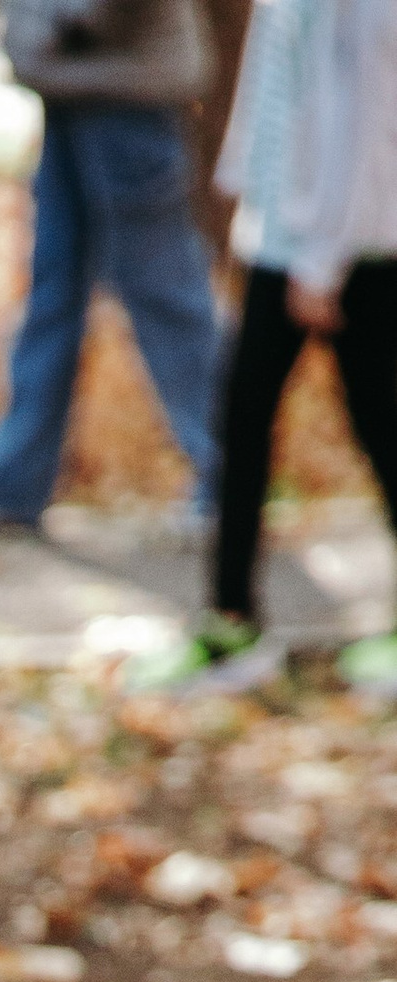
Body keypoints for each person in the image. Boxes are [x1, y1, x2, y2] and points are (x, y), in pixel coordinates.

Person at [132, 0, 397, 685]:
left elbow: (358, 119)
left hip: (342, 252)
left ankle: (233, 621)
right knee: (242, 423)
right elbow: (275, 91)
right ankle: (231, 621)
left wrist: (321, 261)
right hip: (283, 239)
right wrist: (244, 193)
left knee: (378, 428)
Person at [0, 0, 222, 531]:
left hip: (130, 101)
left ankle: (229, 476)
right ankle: (12, 483)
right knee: (51, 297)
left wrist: (61, 20)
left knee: (168, 300)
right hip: (74, 96)